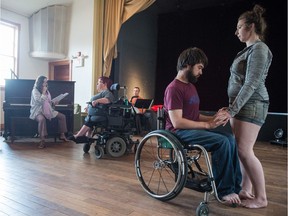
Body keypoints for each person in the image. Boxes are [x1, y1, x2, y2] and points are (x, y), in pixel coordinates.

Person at [163, 47, 242, 204]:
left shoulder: (191, 87)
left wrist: (214, 118)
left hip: (189, 129)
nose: (201, 72)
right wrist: (208, 125)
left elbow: (194, 115)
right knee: (222, 142)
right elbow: (177, 121)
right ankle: (224, 191)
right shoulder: (174, 88)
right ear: (188, 64)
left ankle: (234, 187)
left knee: (230, 138)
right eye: (199, 67)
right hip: (178, 132)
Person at [215, 4, 272, 208]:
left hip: (252, 105)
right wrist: (231, 106)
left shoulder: (259, 49)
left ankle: (261, 198)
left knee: (245, 151)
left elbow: (252, 83)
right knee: (243, 151)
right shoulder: (249, 49)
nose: (236, 31)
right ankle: (246, 189)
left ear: (251, 26)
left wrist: (232, 109)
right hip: (242, 106)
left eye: (239, 27)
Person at [68, 76, 115, 142]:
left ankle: (79, 135)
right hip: (93, 114)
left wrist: (97, 101)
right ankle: (87, 136)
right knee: (89, 120)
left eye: (99, 83)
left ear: (105, 84)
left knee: (90, 120)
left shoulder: (107, 92)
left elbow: (107, 100)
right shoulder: (101, 93)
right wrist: (88, 107)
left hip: (102, 115)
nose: (97, 84)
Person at [29, 75, 68, 148]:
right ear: (39, 83)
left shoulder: (47, 91)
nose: (45, 84)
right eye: (44, 82)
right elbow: (39, 102)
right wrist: (43, 93)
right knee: (42, 119)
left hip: (47, 110)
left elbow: (48, 102)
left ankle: (62, 135)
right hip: (38, 111)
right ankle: (42, 140)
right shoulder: (35, 91)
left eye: (46, 82)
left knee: (62, 117)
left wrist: (54, 102)